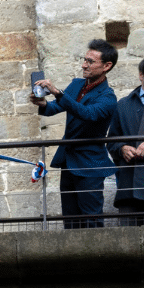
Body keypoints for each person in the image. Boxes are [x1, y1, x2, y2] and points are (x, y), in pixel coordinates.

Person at [31, 39, 118, 229]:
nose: (83, 65)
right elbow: (55, 107)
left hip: (90, 164)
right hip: (69, 161)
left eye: (90, 61)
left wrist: (58, 93)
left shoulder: (109, 97)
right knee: (70, 220)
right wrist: (42, 103)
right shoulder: (77, 84)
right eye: (84, 59)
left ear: (107, 66)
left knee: (91, 219)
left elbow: (87, 114)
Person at [108, 56, 144, 225]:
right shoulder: (123, 104)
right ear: (141, 75)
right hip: (129, 185)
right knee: (127, 244)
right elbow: (111, 141)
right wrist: (122, 148)